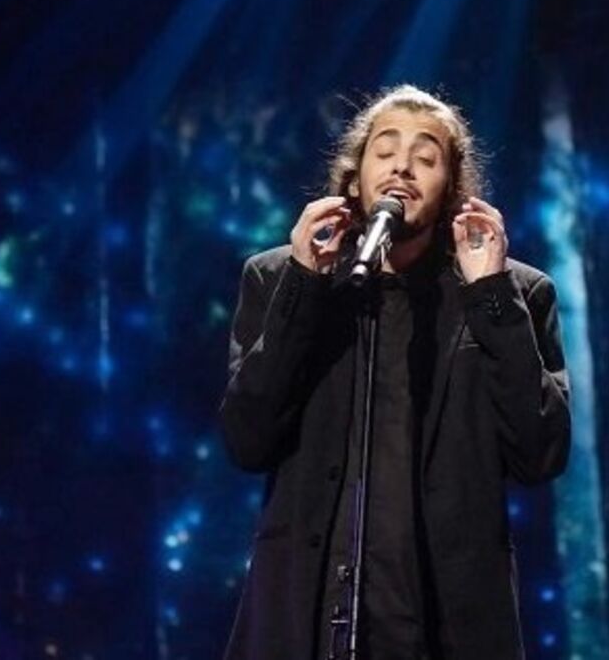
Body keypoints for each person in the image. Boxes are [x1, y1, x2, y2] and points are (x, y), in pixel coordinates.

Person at [220, 85, 570, 660]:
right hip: (305, 617)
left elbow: (541, 454)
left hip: (445, 628)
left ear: (452, 188)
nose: (402, 166)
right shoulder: (280, 278)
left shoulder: (511, 293)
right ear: (355, 176)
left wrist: (490, 294)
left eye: (425, 157)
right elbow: (247, 440)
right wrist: (305, 285)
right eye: (384, 151)